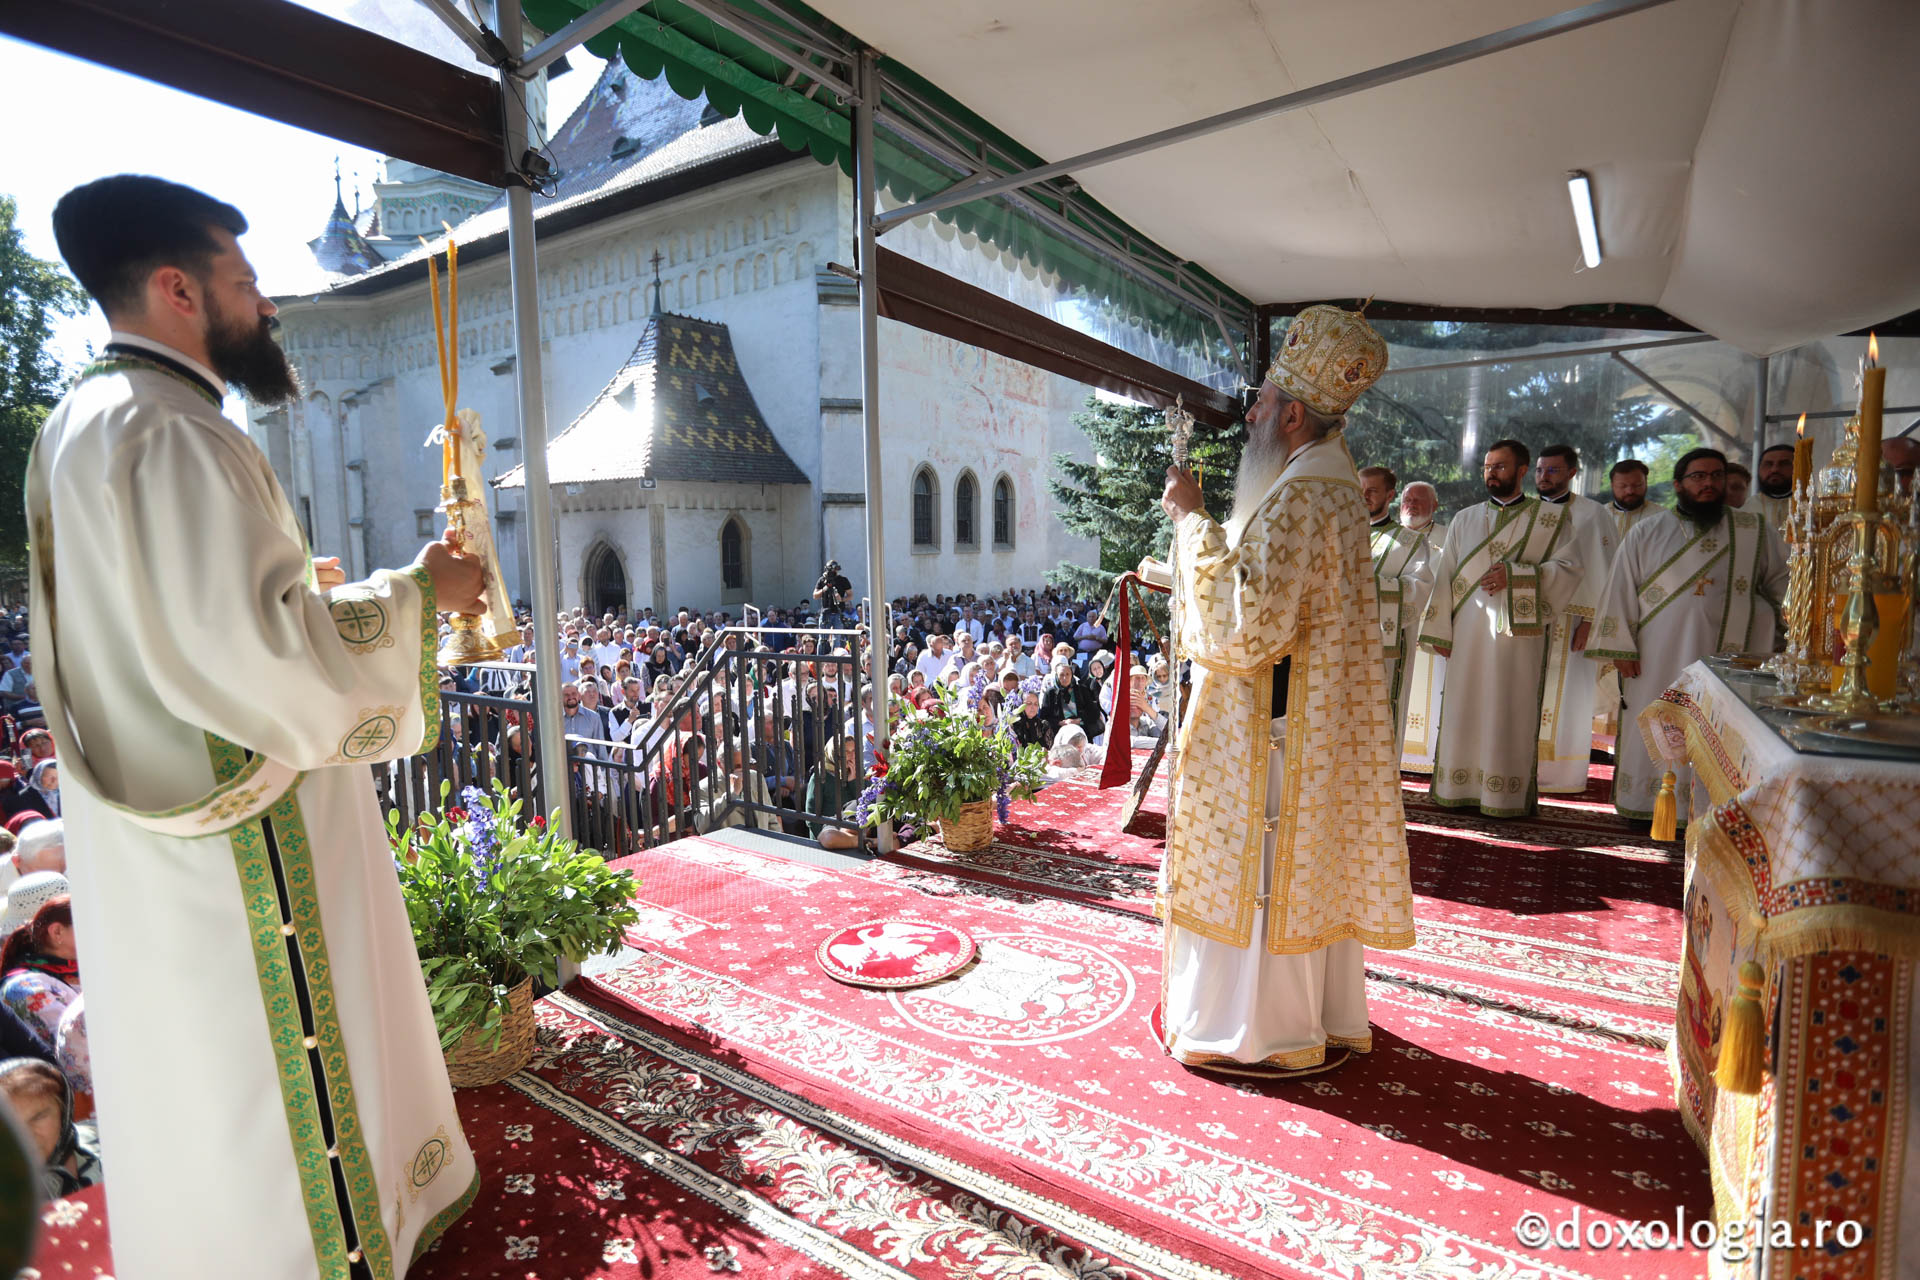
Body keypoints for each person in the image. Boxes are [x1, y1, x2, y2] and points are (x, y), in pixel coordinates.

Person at [32, 175, 483, 1274]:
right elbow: (254, 661)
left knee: (195, 1085)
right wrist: (416, 594)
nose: (268, 302)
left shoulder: (77, 421)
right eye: (243, 280)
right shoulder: (176, 429)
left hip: (146, 834)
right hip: (240, 833)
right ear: (179, 289)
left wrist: (295, 595)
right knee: (273, 1079)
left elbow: (169, 628)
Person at [1151, 304, 1413, 1075]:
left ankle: (1253, 1027)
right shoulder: (1325, 479)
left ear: (1292, 415)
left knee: (1264, 868)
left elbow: (1245, 628)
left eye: (1262, 403)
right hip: (1303, 716)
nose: (1251, 417)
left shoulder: (1304, 492)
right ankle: (1306, 1015)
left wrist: (1191, 520)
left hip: (1275, 729)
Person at [1587, 449, 1788, 825]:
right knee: (1656, 722)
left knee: (1722, 729)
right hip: (1656, 655)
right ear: (1678, 484)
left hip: (1730, 658)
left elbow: (1782, 585)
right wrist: (1620, 649)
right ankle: (1648, 806)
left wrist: (1782, 631)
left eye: (1716, 475)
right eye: (1698, 476)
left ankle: (1714, 813)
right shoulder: (1648, 531)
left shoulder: (1754, 530)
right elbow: (1619, 590)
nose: (1708, 483)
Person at [1417, 439, 1584, 818]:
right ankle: (1457, 786)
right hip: (1468, 635)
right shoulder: (1465, 518)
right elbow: (1445, 577)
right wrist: (1440, 630)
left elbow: (1570, 569)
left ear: (1522, 470)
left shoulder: (1551, 519)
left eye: (1500, 466)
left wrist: (1518, 576)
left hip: (1518, 640)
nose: (1491, 473)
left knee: (1511, 706)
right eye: (1488, 466)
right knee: (1463, 705)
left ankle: (1504, 795)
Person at [1531, 444, 1614, 795]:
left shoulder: (1593, 515)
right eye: (1539, 470)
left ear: (1571, 473)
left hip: (1573, 621)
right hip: (1529, 616)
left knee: (1568, 698)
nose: (1544, 476)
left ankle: (1560, 776)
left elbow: (1604, 571)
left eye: (1552, 470)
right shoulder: (1526, 511)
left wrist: (1591, 623)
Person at [1360, 466, 1433, 755]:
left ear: (1390, 495)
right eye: (1360, 489)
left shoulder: (1411, 543)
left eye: (1372, 490)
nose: (1364, 496)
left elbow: (1419, 588)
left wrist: (1368, 588)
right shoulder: (1339, 536)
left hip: (1383, 651)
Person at [1396, 482, 1451, 773]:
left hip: (1432, 629)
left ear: (1435, 505)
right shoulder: (1390, 536)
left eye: (1419, 500)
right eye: (1407, 499)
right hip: (1395, 629)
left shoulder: (1449, 537)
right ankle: (1397, 753)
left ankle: (1425, 761)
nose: (1412, 504)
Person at [0, 1057, 102, 1198]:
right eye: (11, 1126)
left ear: (63, 1110)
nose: (27, 1135)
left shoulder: (102, 1141)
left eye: (38, 1117)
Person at [0, 895, 78, 1051]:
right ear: (57, 932)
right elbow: (77, 1047)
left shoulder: (77, 971)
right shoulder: (24, 988)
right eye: (87, 925)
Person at [1607, 458, 1656, 539]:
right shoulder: (1600, 514)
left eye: (1637, 485)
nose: (1630, 491)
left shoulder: (1660, 516)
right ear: (1612, 485)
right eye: (1622, 486)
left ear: (1646, 482)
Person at [1751, 443, 1794, 532]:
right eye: (1768, 464)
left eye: (1784, 464)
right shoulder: (1746, 509)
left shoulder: (1814, 506)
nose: (1774, 469)